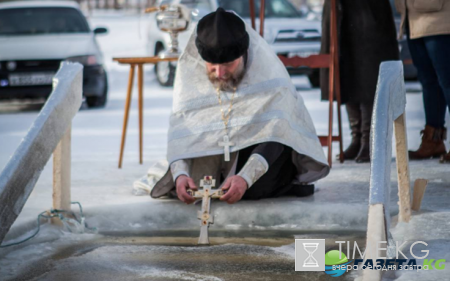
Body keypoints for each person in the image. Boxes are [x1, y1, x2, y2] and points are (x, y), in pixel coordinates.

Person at [139, 8, 330, 204]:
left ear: (244, 53)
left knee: (257, 188)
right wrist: (180, 174)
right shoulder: (191, 71)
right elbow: (182, 135)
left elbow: (277, 135)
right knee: (199, 183)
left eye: (228, 64)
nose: (220, 73)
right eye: (211, 65)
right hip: (213, 156)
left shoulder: (268, 73)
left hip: (261, 150)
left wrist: (246, 177)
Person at [320, 0, 400, 163]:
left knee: (368, 73)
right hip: (341, 9)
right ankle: (356, 138)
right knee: (346, 71)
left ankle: (368, 140)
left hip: (367, 10)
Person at [395, 0, 450, 162]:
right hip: (413, 19)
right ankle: (433, 139)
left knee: (447, 81)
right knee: (429, 81)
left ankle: (433, 139)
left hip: (440, 20)